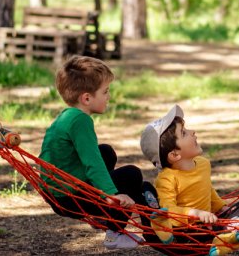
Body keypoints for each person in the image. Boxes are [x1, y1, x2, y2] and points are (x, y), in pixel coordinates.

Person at [39, 55, 153, 250]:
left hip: (56, 191)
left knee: (106, 152)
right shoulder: (81, 122)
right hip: (70, 198)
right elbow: (93, 163)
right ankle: (115, 233)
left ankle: (101, 213)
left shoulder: (68, 115)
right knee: (131, 174)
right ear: (87, 98)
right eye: (105, 91)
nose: (108, 96)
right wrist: (111, 195)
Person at [140, 105, 239, 256]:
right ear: (174, 155)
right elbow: (169, 211)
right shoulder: (167, 178)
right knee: (146, 191)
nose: (193, 132)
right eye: (184, 133)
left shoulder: (203, 164)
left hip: (209, 226)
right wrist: (195, 214)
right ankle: (218, 242)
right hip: (185, 234)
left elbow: (207, 189)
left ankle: (219, 240)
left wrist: (220, 207)